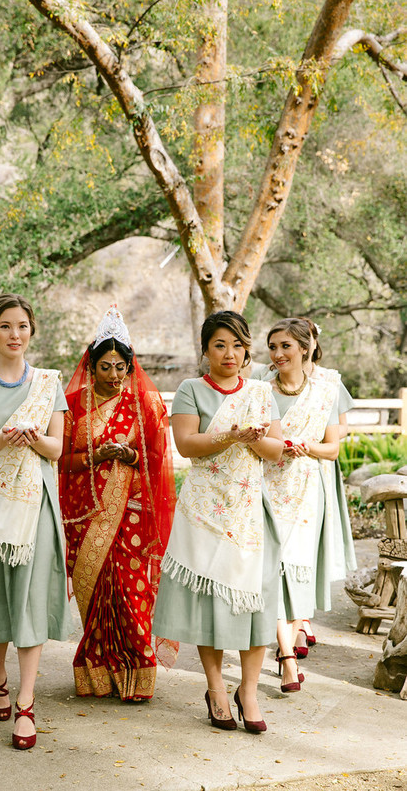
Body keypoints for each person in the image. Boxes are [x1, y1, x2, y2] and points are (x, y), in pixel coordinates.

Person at [153, 311, 283, 733]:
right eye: (220, 345)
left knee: (257, 601)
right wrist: (230, 434)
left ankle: (248, 690)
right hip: (205, 512)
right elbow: (188, 445)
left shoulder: (262, 392)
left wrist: (254, 437)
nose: (230, 353)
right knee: (210, 604)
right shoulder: (192, 389)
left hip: (249, 511)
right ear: (206, 349)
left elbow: (275, 451)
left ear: (247, 350)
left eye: (238, 345)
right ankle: (215, 688)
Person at [0, 293, 72, 751]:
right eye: (6, 326)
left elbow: (58, 449)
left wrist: (36, 438)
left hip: (36, 505)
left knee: (28, 596)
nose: (15, 335)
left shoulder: (48, 383)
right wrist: (3, 438)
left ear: (32, 330)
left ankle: (26, 701)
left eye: (23, 326)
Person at [59, 305, 176, 702]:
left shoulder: (145, 405)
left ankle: (137, 672)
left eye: (120, 366)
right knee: (95, 598)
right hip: (86, 516)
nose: (113, 375)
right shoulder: (72, 405)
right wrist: (97, 455)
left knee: (130, 592)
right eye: (105, 366)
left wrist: (129, 457)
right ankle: (96, 674)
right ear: (91, 367)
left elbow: (158, 460)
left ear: (130, 365)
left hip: (131, 516)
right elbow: (61, 460)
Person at [262, 317, 341, 692]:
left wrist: (307, 448)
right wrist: (276, 448)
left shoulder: (323, 391)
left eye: (286, 347)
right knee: (272, 574)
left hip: (307, 489)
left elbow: (333, 448)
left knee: (297, 574)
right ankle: (288, 657)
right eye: (273, 347)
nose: (278, 354)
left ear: (304, 349)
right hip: (265, 487)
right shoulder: (259, 389)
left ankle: (287, 649)